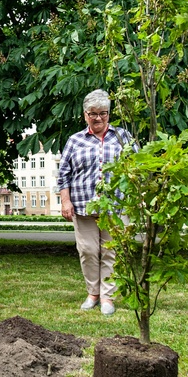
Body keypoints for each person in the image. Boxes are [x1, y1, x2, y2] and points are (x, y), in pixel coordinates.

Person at [58, 89, 134, 316]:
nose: (98, 117)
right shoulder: (75, 140)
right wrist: (65, 201)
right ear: (85, 115)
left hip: (116, 206)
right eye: (93, 113)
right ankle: (93, 293)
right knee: (88, 250)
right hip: (83, 206)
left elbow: (136, 167)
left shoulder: (123, 137)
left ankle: (108, 296)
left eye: (103, 113)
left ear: (109, 114)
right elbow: (64, 175)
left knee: (111, 252)